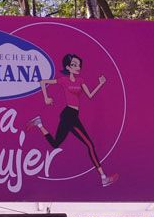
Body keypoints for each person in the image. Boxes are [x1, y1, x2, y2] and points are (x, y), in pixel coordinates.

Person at [30, 54, 118, 187]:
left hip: (72, 115)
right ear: (68, 67)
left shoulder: (81, 80)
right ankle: (103, 177)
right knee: (89, 144)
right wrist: (46, 98)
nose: (77, 67)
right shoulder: (63, 80)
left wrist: (100, 84)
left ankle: (39, 123)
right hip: (68, 115)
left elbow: (90, 95)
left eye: (78, 65)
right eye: (74, 65)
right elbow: (43, 82)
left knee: (55, 144)